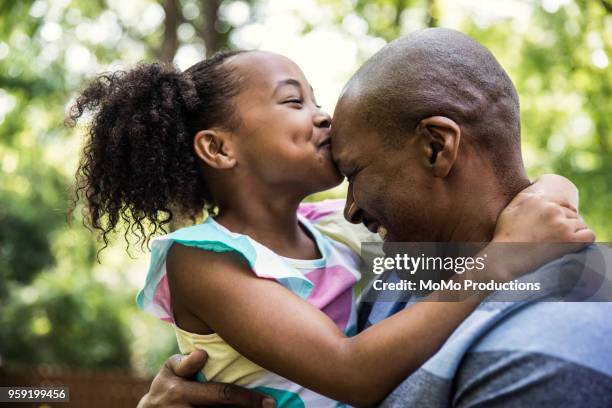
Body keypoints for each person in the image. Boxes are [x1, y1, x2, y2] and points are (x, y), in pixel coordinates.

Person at [137, 29, 612, 408]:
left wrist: (551, 194)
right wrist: (502, 258)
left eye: (355, 172)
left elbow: (542, 202)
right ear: (218, 147)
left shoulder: (547, 356)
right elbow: (350, 370)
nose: (322, 118)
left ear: (436, 147)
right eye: (294, 102)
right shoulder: (204, 258)